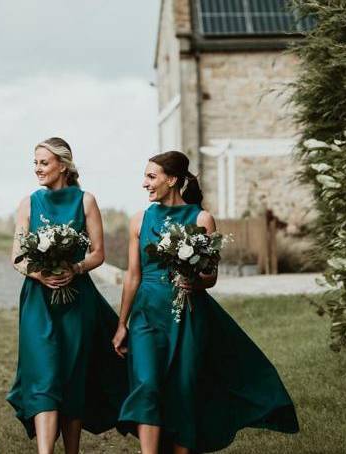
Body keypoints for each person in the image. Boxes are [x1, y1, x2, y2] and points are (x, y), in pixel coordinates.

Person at [112, 150, 299, 453]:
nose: (144, 183)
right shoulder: (139, 220)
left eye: (151, 176)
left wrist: (194, 280)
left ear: (172, 180)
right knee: (146, 385)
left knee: (184, 390)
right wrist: (122, 324)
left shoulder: (201, 219)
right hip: (147, 315)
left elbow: (210, 277)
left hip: (188, 315)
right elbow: (132, 276)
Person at [6, 137, 128, 454]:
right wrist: (40, 273)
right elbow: (18, 256)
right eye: (35, 163)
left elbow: (98, 253)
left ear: (63, 164)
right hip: (37, 302)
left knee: (73, 376)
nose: (37, 169)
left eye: (43, 163)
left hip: (77, 301)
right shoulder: (28, 203)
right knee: (44, 374)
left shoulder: (86, 201)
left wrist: (75, 267)